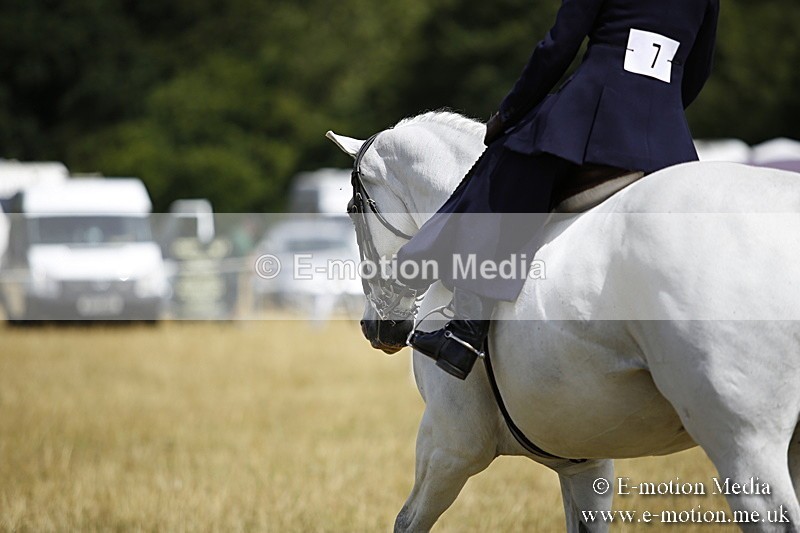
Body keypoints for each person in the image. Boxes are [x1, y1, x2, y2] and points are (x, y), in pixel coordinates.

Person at [396, 0, 720, 380]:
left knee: (503, 169)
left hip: (595, 114)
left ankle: (465, 331)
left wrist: (510, 113)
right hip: (667, 137)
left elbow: (558, 46)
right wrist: (657, 114)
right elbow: (698, 69)